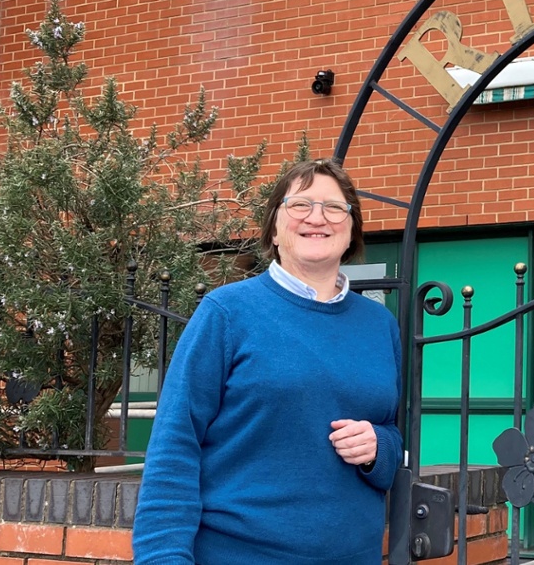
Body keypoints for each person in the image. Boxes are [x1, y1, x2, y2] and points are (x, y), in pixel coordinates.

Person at [133, 160, 403, 564]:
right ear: (274, 228)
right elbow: (175, 444)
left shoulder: (379, 323)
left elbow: (394, 436)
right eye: (300, 205)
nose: (317, 218)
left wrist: (378, 447)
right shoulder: (226, 313)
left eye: (334, 207)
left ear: (351, 230)